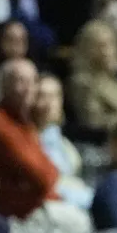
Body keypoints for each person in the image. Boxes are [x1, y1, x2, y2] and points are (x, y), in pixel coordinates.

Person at [0, 59, 91, 233]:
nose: (28, 87)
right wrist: (47, 173)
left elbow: (49, 172)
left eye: (33, 81)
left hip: (42, 206)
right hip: (18, 216)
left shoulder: (26, 122)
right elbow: (40, 176)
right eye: (20, 81)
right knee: (81, 223)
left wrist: (48, 173)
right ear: (5, 86)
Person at [68, 20, 117, 140]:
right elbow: (93, 122)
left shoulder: (113, 79)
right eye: (101, 46)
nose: (109, 51)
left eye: (112, 44)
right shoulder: (83, 83)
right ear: (88, 49)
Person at [33, 74, 94, 213]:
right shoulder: (29, 140)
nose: (49, 102)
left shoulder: (61, 140)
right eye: (42, 95)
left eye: (54, 96)